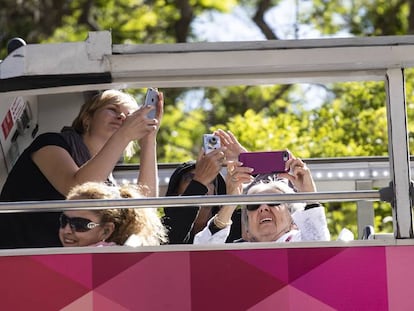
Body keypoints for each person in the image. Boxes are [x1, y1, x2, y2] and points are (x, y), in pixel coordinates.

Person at [0, 89, 163, 248]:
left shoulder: (107, 184)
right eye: (113, 109)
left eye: (129, 117)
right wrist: (124, 134)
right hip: (14, 254)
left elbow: (144, 209)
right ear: (87, 119)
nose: (121, 117)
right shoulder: (51, 143)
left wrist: (149, 140)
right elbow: (78, 190)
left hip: (59, 264)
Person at [194, 156, 331, 244]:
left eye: (274, 201)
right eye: (253, 205)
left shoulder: (301, 242)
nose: (263, 207)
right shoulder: (236, 252)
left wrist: (309, 196)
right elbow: (201, 258)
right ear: (246, 230)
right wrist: (231, 202)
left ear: (293, 221)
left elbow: (320, 248)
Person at [163, 129, 246, 244]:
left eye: (211, 179)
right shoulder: (161, 228)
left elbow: (275, 200)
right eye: (191, 178)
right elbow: (173, 240)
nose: (205, 183)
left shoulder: (241, 223)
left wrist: (247, 161)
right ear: (175, 193)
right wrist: (199, 182)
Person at [60, 182, 167, 247]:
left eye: (79, 224)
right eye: (64, 221)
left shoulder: (105, 256)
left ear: (106, 231)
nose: (67, 230)